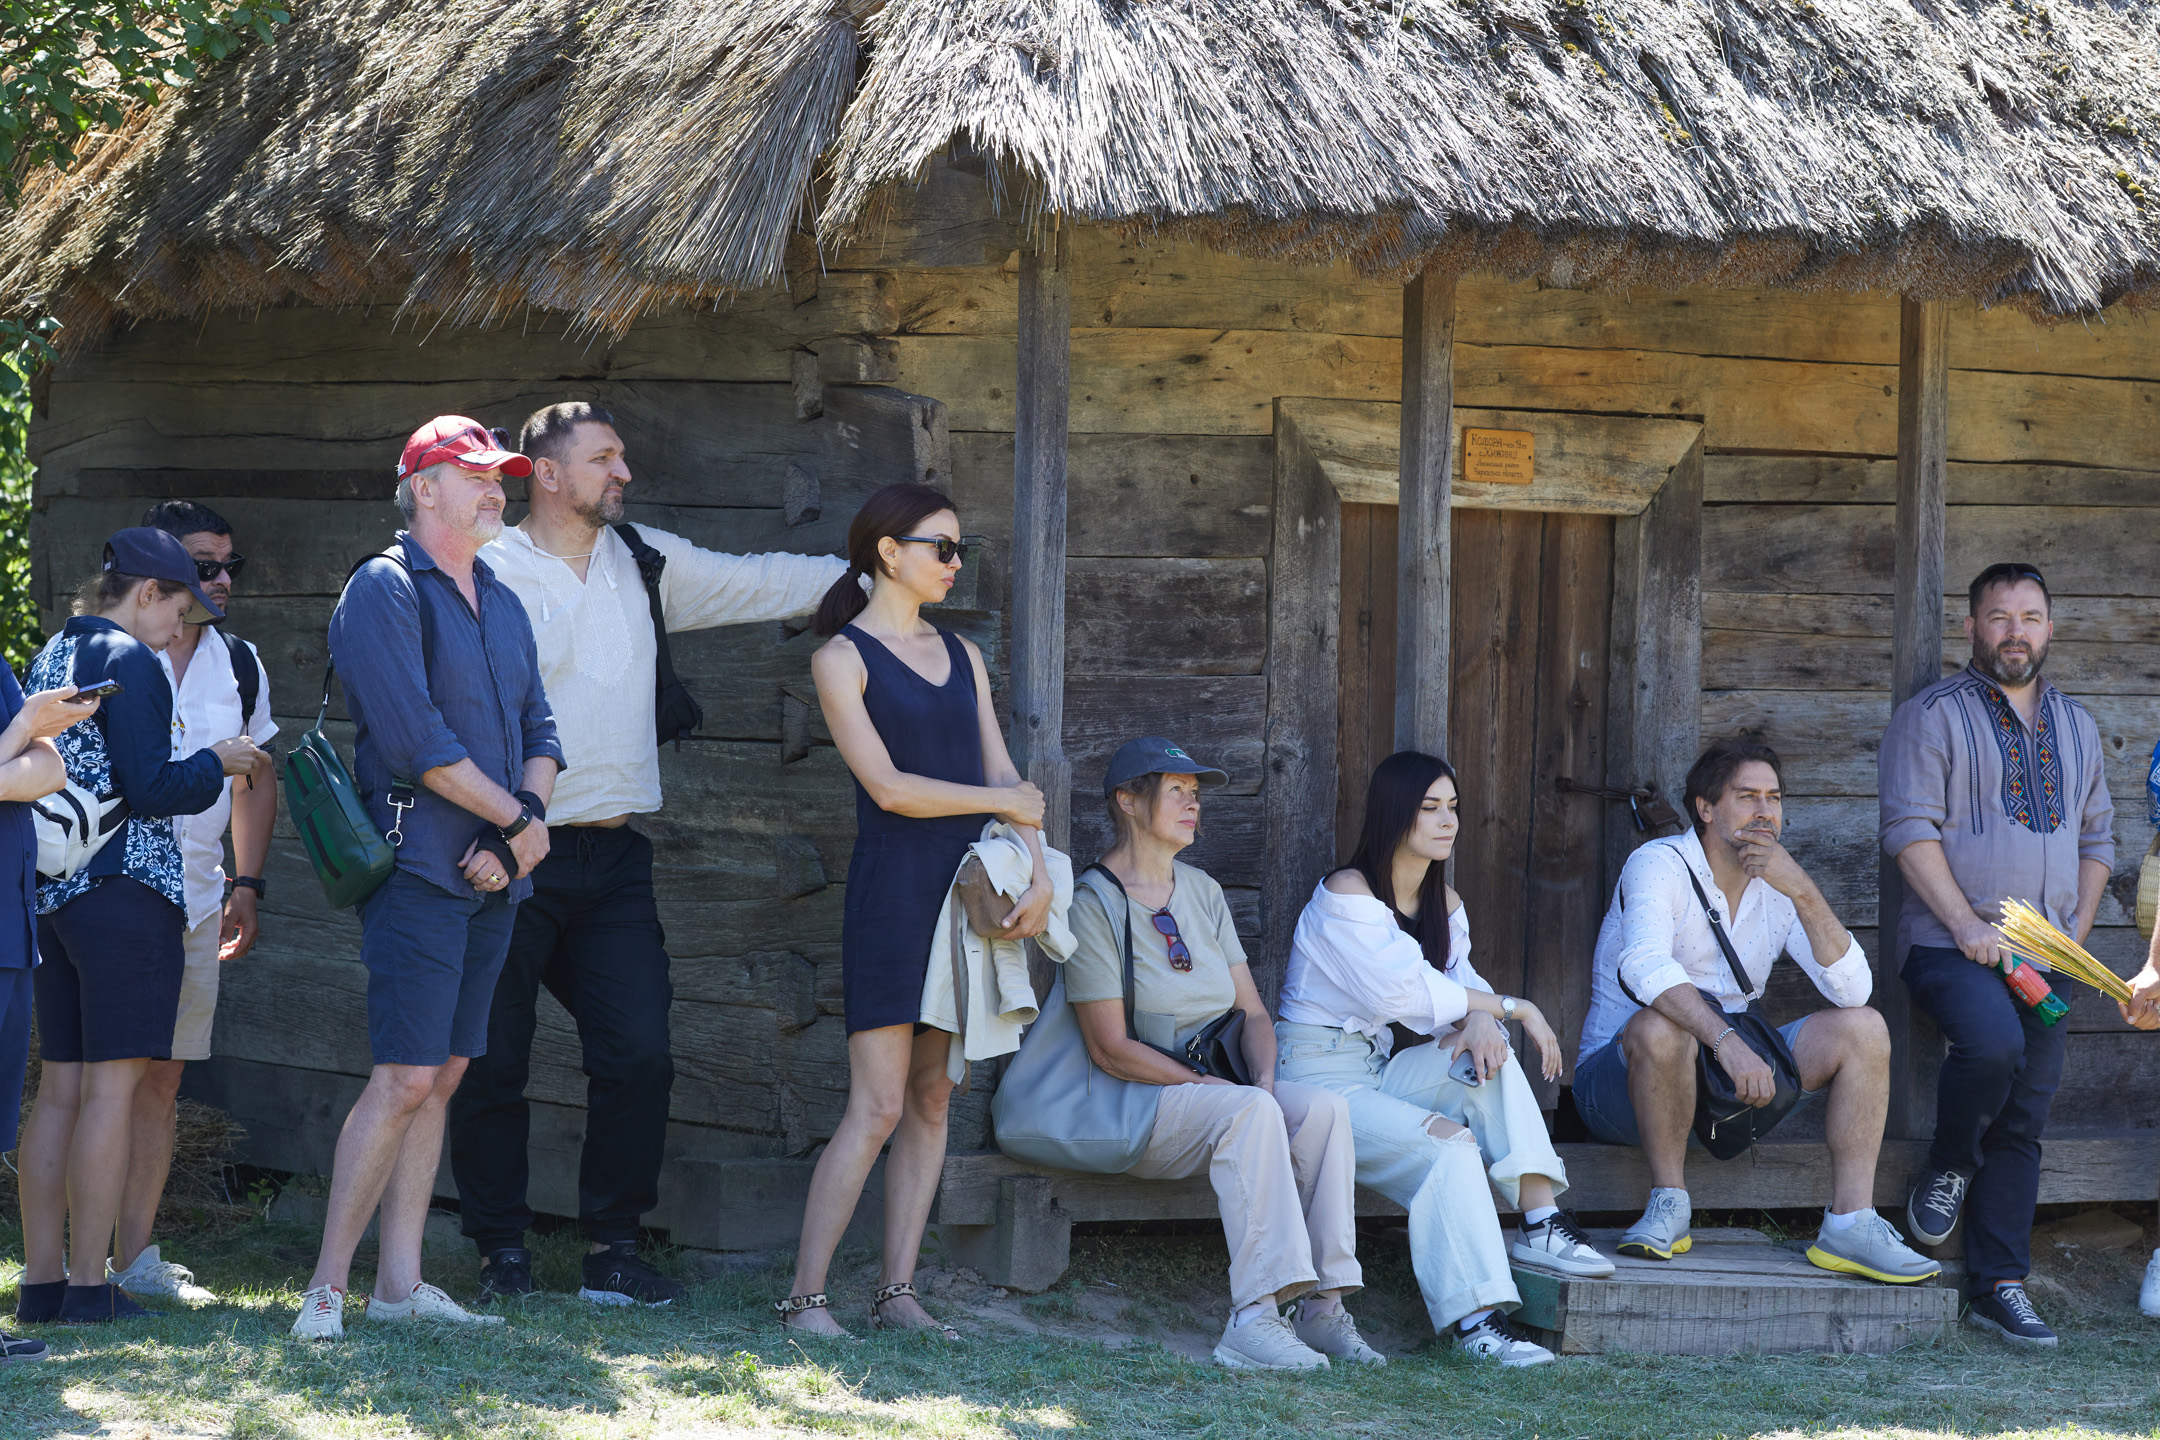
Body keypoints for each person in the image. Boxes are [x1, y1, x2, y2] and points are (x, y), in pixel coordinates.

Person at [451, 402, 846, 1305]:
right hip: (509, 853)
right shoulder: (488, 569)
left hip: (614, 859)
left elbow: (759, 581)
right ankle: (500, 1251)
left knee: (639, 1054)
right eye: (604, 458)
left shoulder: (644, 559)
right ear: (547, 473)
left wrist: (878, 568)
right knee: (493, 1057)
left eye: (622, 456)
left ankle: (614, 1251)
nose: (623, 472)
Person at [290, 417, 563, 1340]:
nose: (496, 490)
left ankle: (399, 1288)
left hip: (494, 874)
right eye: (475, 475)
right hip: (415, 868)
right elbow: (416, 743)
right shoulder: (383, 587)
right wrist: (518, 824)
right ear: (423, 488)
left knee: (443, 1076)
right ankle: (325, 1291)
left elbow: (542, 732)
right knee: (405, 1075)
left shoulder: (503, 598)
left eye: (500, 477)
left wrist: (517, 835)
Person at [776, 483, 1051, 1340]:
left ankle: (898, 1295)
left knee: (935, 1099)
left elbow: (1009, 782)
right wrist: (999, 803)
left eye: (961, 548)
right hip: (894, 896)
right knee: (879, 1106)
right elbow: (890, 789)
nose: (956, 562)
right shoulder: (841, 659)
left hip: (969, 893)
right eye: (943, 546)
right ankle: (806, 1301)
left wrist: (1040, 877)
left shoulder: (963, 654)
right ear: (888, 552)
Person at [1278, 750, 1605, 1368]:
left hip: (1375, 1074)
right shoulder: (1346, 895)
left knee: (1488, 1058)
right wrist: (1515, 1006)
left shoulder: (1442, 902)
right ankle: (1477, 1323)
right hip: (1316, 1083)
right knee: (1450, 1146)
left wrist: (1483, 1018)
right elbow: (1403, 994)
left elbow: (1459, 987)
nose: (1447, 820)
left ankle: (1540, 1222)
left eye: (1453, 807)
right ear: (1394, 812)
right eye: (1429, 808)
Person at [1577, 737, 1938, 1286]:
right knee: (1661, 1024)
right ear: (1706, 808)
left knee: (1865, 1029)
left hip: (1723, 1098)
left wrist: (1803, 891)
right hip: (1619, 1094)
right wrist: (1728, 1043)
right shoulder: (1658, 863)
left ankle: (1851, 1225)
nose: (1765, 811)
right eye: (1747, 796)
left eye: (1774, 798)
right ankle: (1669, 1203)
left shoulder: (1779, 885)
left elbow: (1853, 991)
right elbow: (1644, 967)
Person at [16, 529, 263, 1325]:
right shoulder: (132, 658)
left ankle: (42, 1284)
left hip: (54, 896)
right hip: (126, 895)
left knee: (60, 1090)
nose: (179, 628)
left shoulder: (56, 651)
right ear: (148, 592)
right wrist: (219, 761)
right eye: (179, 609)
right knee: (112, 1092)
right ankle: (92, 1289)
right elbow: (153, 789)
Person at [1077, 739, 1374, 1371]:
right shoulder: (1093, 902)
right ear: (1127, 801)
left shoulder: (1203, 891)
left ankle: (1322, 1309)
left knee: (1322, 1111)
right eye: (1176, 791)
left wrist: (1262, 1079)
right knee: (1250, 1112)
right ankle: (1254, 1320)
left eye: (1196, 794)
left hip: (1216, 1093)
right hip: (1136, 1101)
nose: (1193, 804)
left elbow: (1254, 1014)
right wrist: (1225, 1093)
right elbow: (1110, 1048)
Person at [1880, 562, 2112, 1347]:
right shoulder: (1931, 716)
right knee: (1994, 1045)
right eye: (2000, 617)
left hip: (2047, 957)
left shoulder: (2078, 727)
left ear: (2050, 628)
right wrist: (1965, 925)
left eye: (2030, 617)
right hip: (1949, 945)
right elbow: (1909, 830)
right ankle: (1950, 1162)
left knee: (2025, 1116)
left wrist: (2076, 930)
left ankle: (2000, 1285)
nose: (2016, 632)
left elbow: (2097, 838)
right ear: (1971, 627)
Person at [105, 501, 278, 1307]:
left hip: (201, 896)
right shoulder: (108, 650)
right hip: (111, 897)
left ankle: (134, 1258)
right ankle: (69, 1262)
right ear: (159, 574)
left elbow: (257, 775)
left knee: (163, 1080)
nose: (222, 581)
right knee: (99, 1078)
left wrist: (248, 883)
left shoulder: (240, 662)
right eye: (205, 566)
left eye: (229, 566)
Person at [0, 659, 103, 1360]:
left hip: (10, 930)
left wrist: (22, 738)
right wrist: (21, 732)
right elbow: (26, 756)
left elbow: (50, 772)